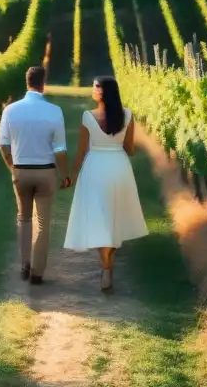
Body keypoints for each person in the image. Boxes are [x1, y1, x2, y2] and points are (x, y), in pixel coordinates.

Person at [64, 75, 148, 292]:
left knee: (100, 218)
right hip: (119, 167)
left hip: (95, 168)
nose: (92, 90)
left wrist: (72, 175)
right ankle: (108, 266)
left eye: (94, 87)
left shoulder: (88, 116)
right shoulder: (127, 115)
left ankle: (106, 268)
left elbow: (81, 152)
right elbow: (129, 149)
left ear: (101, 92)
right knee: (113, 217)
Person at [0, 66, 71, 284]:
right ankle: (37, 272)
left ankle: (24, 264)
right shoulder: (54, 111)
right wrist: (65, 175)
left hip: (21, 170)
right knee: (43, 222)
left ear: (26, 82)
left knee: (23, 217)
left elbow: (3, 144)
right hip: (46, 172)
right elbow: (60, 149)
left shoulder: (10, 110)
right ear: (43, 83)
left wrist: (12, 166)